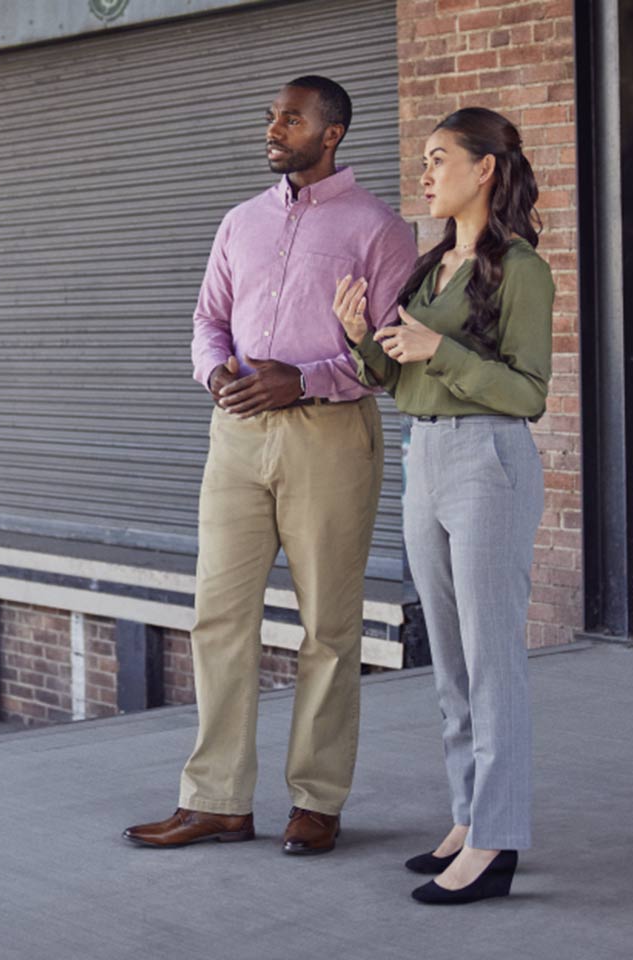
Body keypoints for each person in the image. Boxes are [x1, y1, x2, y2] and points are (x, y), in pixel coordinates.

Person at [123, 76, 414, 856]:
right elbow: (207, 319)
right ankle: (216, 800)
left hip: (329, 437)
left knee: (328, 624)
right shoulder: (240, 221)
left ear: (334, 132)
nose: (274, 127)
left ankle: (317, 801)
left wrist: (308, 377)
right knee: (218, 613)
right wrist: (213, 370)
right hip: (237, 438)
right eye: (270, 116)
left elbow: (391, 356)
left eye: (292, 116)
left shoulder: (380, 230)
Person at [332, 107, 553, 904]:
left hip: (486, 459)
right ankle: (468, 814)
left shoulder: (520, 268)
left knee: (492, 658)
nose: (423, 174)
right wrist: (363, 338)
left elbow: (529, 393)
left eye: (437, 159)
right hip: (424, 454)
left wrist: (440, 348)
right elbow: (403, 381)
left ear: (484, 168)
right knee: (451, 660)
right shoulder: (431, 270)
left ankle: (496, 840)